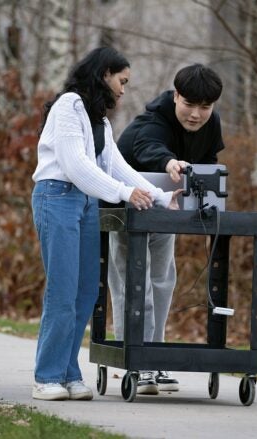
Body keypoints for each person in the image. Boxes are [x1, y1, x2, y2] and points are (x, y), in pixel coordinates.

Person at [31, 47, 180, 401]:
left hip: (85, 202)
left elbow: (116, 166)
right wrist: (125, 193)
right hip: (57, 197)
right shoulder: (68, 106)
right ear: (103, 74)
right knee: (63, 291)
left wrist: (159, 196)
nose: (124, 90)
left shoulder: (100, 120)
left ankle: (68, 374)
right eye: (122, 81)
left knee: (86, 292)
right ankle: (46, 376)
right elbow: (75, 166)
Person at [108, 63, 225, 395]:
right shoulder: (153, 120)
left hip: (166, 211)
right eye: (189, 104)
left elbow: (211, 161)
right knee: (134, 284)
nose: (196, 114)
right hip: (128, 210)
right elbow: (149, 148)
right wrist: (169, 162)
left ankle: (154, 359)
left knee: (162, 282)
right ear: (176, 96)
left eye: (205, 107)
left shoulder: (210, 122)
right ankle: (137, 361)